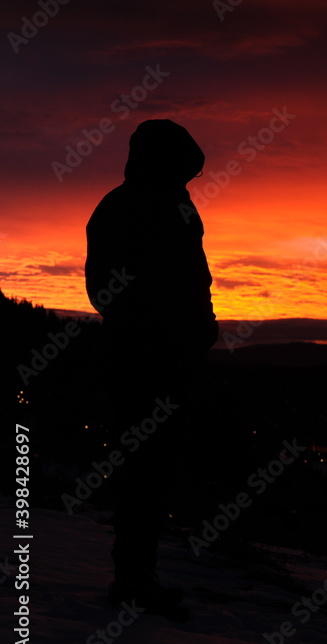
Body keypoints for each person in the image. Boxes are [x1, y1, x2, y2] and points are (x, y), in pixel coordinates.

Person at [85, 119, 218, 613]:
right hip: (147, 358)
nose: (190, 175)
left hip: (161, 354)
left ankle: (138, 577)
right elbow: (110, 288)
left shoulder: (159, 203)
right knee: (148, 470)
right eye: (182, 165)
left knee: (152, 471)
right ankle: (133, 582)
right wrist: (165, 327)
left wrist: (195, 330)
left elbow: (188, 277)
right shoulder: (140, 206)